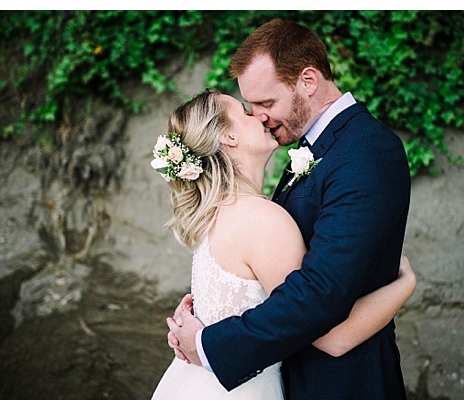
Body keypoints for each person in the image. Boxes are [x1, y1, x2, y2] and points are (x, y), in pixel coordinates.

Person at [167, 19, 413, 399]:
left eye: (266, 102)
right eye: (251, 107)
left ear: (308, 81)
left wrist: (208, 343)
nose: (261, 115)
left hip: (343, 385)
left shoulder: (366, 151)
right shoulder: (310, 148)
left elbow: (320, 295)